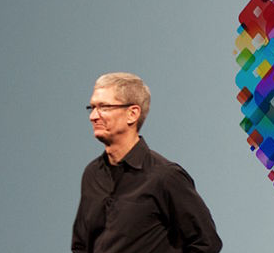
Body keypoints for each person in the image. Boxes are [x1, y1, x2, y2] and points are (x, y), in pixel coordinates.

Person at [72, 72, 222, 253]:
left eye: (104, 107)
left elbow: (207, 243)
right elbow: (80, 245)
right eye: (92, 107)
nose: (93, 116)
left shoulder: (165, 176)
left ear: (132, 114)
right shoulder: (92, 174)